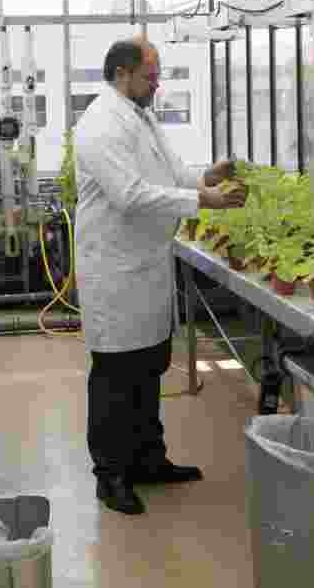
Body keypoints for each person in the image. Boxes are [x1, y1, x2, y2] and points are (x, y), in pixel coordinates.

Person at [74, 37, 247, 515]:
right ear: (124, 73)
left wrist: (207, 176)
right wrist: (203, 202)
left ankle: (149, 459)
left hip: (145, 266)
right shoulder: (99, 126)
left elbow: (170, 172)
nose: (157, 84)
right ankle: (110, 475)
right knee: (115, 377)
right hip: (115, 271)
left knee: (149, 366)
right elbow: (131, 194)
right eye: (151, 76)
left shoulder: (140, 117)